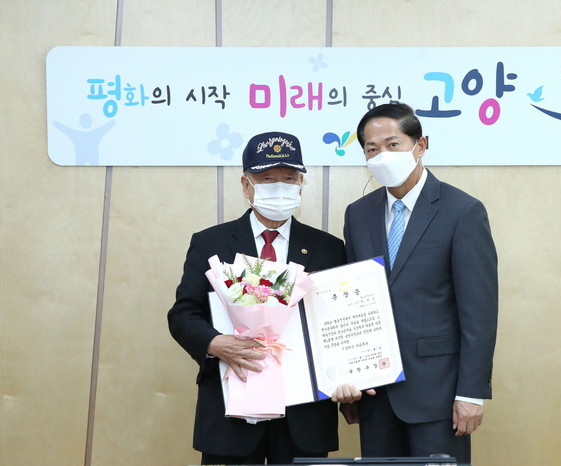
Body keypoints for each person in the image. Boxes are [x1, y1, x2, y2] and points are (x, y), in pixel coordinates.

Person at [333, 103, 498, 464]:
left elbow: (479, 313)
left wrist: (471, 393)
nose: (382, 155)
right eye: (372, 149)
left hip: (439, 394)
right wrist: (349, 378)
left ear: (420, 145)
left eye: (393, 144)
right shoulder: (357, 214)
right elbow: (349, 303)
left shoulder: (462, 211)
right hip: (375, 393)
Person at [168, 131, 346, 465]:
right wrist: (214, 343)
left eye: (289, 179)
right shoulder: (210, 243)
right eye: (267, 179)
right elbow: (183, 314)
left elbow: (338, 321)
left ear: (301, 184)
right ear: (246, 185)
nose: (280, 187)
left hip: (304, 416)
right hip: (230, 413)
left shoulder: (329, 247)